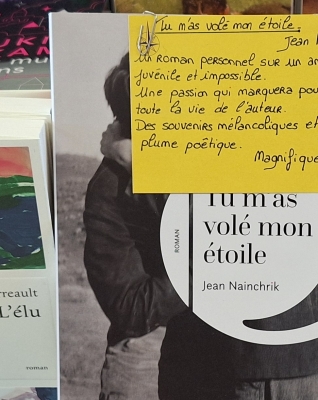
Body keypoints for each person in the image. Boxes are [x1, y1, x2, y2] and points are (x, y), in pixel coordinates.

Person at [100, 54, 318, 400]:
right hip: (228, 358)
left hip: (254, 360)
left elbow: (222, 231)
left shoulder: (242, 138)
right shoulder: (129, 177)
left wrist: (139, 164)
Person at [83, 52, 186, 400]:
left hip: (205, 356)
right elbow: (130, 309)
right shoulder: (109, 186)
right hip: (144, 358)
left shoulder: (194, 171)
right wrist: (208, 269)